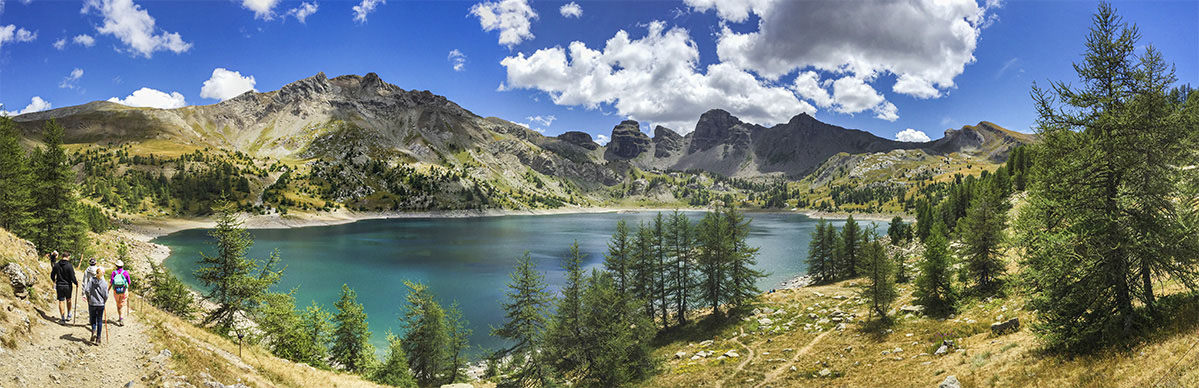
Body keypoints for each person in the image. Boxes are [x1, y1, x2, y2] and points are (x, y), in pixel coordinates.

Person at [49, 252, 78, 324]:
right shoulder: (69, 266)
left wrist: (54, 281)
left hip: (59, 285)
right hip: (68, 285)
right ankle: (69, 314)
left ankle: (62, 318)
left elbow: (52, 275)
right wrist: (76, 283)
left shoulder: (57, 265)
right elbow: (72, 277)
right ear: (68, 257)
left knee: (61, 301)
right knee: (68, 299)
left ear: (62, 256)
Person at [85, 266, 108, 345]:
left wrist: (89, 297)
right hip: (101, 303)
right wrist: (104, 301)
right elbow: (106, 295)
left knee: (93, 319)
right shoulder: (104, 283)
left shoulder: (91, 280)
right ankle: (98, 338)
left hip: (92, 303)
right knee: (100, 320)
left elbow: (87, 290)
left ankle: (93, 331)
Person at [110, 260, 132, 326]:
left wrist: (108, 289)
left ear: (116, 266)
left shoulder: (114, 273)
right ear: (122, 265)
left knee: (118, 304)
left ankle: (120, 316)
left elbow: (111, 282)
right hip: (124, 291)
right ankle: (121, 318)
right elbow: (129, 282)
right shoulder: (125, 273)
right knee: (122, 304)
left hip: (116, 291)